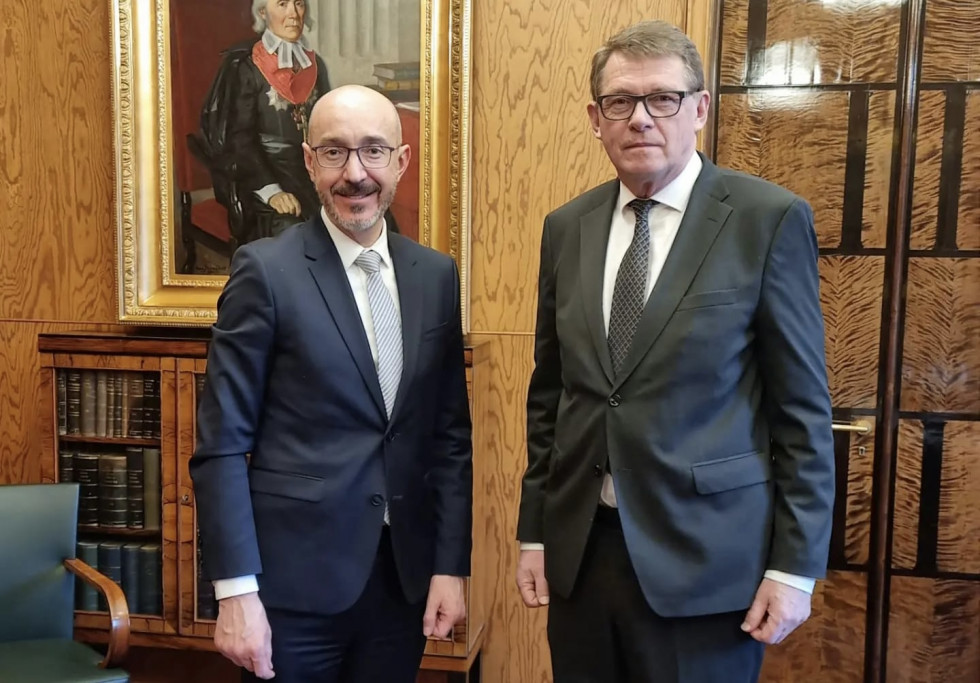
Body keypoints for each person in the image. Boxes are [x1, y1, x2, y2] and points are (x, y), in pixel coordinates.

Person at [515, 20, 835, 683]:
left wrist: (794, 566)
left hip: (707, 565)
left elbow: (801, 412)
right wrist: (536, 530)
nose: (640, 118)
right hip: (582, 558)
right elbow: (552, 396)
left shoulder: (765, 219)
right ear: (595, 118)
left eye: (661, 98)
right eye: (620, 102)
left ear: (699, 108)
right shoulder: (566, 228)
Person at [191, 84, 472, 683]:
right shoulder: (266, 272)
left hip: (402, 587)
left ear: (401, 161)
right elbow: (221, 447)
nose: (356, 174)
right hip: (291, 592)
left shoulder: (436, 276)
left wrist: (450, 567)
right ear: (309, 161)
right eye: (335, 153)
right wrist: (235, 592)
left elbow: (447, 437)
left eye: (373, 151)